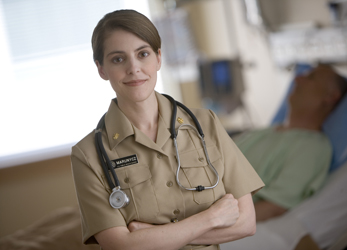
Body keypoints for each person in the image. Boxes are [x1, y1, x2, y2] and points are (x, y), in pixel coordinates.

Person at [71, 9, 264, 250]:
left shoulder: (206, 123)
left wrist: (153, 237)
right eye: (118, 59)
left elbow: (246, 222)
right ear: (101, 69)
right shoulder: (87, 155)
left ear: (158, 58)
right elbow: (121, 246)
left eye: (143, 54)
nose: (134, 68)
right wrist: (211, 218)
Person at [235, 64, 347, 222]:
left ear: (330, 96)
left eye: (310, 78)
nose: (297, 78)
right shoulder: (263, 133)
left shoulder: (312, 148)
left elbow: (272, 208)